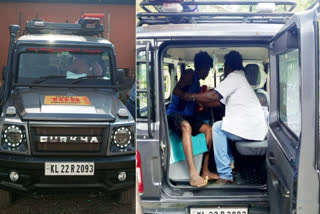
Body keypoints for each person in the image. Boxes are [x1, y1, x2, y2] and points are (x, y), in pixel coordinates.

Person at [187, 51, 268, 184]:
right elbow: (218, 102)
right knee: (223, 126)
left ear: (229, 66)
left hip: (251, 128)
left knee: (217, 128)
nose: (224, 68)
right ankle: (230, 163)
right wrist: (200, 100)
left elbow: (214, 96)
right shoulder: (240, 78)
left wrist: (191, 96)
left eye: (224, 65)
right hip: (253, 127)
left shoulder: (235, 76)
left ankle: (225, 175)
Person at [166, 51, 218, 188]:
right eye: (208, 69)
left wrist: (196, 103)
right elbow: (176, 92)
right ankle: (193, 174)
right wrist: (188, 97)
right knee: (186, 127)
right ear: (203, 68)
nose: (207, 72)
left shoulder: (197, 83)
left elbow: (191, 99)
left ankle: (205, 170)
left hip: (188, 116)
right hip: (174, 115)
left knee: (209, 130)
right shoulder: (189, 74)